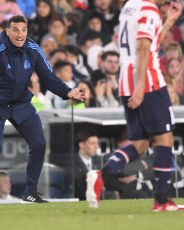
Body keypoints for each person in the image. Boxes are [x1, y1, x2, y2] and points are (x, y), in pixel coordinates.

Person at [0, 15, 86, 205]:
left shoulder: (33, 49)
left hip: (20, 103)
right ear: (7, 31)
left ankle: (30, 192)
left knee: (39, 143)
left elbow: (49, 77)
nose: (20, 34)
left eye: (24, 30)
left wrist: (68, 93)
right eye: (16, 30)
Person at [86, 0, 183, 211]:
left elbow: (148, 42)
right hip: (147, 81)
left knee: (140, 143)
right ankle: (162, 201)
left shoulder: (130, 6)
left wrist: (169, 22)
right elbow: (143, 48)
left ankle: (102, 174)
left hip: (126, 80)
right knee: (164, 139)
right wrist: (141, 87)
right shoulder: (149, 9)